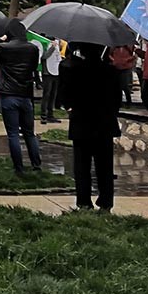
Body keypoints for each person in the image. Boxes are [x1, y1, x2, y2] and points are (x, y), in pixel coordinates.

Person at [61, 43, 122, 211]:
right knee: (105, 166)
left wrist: (70, 107)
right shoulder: (111, 71)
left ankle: (83, 202)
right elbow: (118, 99)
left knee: (82, 167)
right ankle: (106, 202)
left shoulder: (74, 70)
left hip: (81, 123)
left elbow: (65, 95)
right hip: (104, 124)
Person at [0, 21, 44, 175]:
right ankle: (36, 164)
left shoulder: (4, 48)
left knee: (13, 133)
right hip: (26, 94)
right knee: (29, 132)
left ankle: (18, 168)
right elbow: (33, 67)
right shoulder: (32, 49)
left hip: (8, 94)